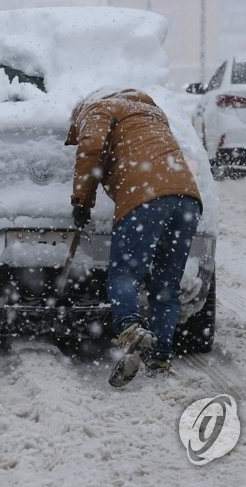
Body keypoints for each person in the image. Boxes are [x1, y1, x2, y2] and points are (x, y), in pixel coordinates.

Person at [65, 88, 202, 387]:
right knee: (166, 284)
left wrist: (81, 202)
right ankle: (160, 357)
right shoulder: (152, 113)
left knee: (125, 273)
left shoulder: (97, 110)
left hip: (145, 198)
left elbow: (90, 151)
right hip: (187, 198)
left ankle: (131, 330)